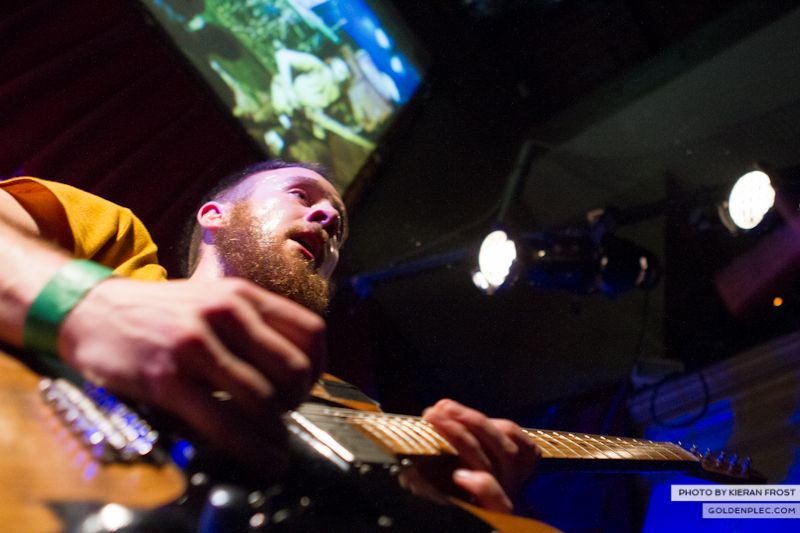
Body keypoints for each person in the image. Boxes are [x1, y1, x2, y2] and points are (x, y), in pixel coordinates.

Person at [0, 160, 538, 513]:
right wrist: (88, 303)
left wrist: (429, 517)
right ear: (215, 215)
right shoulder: (114, 245)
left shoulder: (349, 406)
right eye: (300, 195)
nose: (327, 219)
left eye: (339, 231)